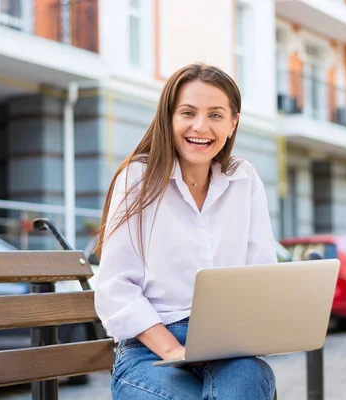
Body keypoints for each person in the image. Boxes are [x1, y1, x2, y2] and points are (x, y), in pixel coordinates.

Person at [93, 63, 277, 400]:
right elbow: (114, 288)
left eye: (216, 115)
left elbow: (260, 273)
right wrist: (173, 349)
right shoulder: (137, 178)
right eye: (188, 112)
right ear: (169, 118)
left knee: (248, 380)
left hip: (225, 346)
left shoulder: (244, 179)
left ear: (233, 122)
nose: (200, 127)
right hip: (147, 349)